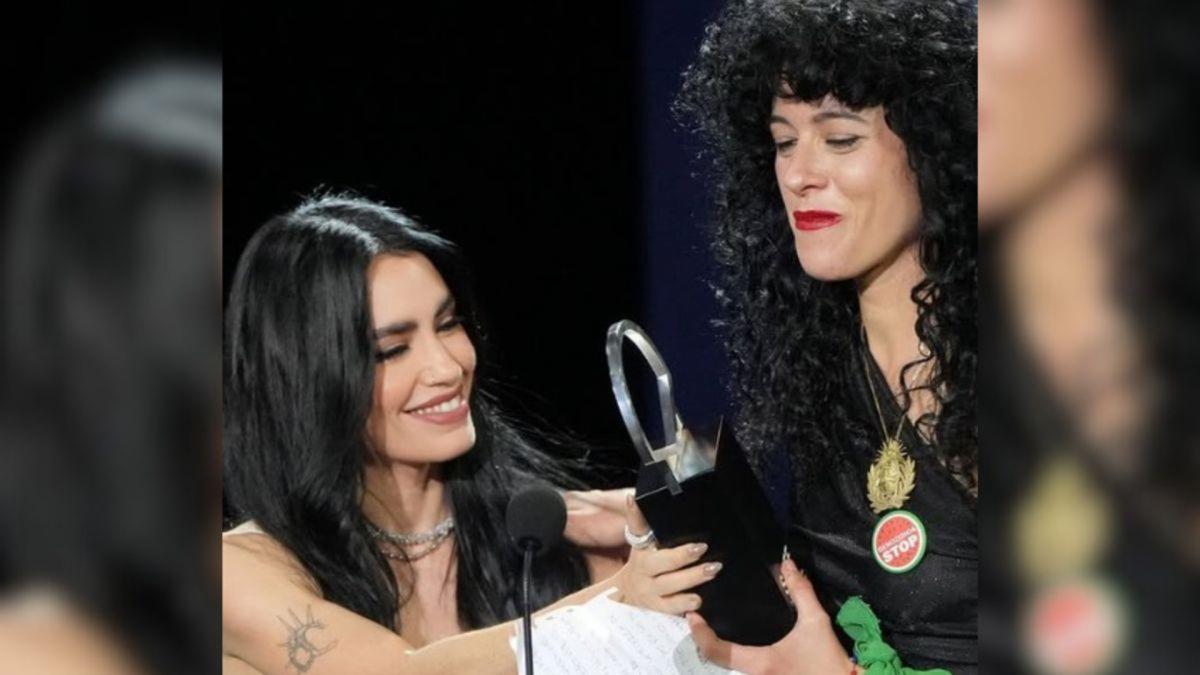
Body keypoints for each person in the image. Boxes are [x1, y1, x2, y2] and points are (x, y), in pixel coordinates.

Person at [221, 193, 719, 674]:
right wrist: (618, 599)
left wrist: (679, 535)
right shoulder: (237, 572)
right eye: (392, 350)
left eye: (447, 324)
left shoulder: (552, 541)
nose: (447, 367)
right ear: (307, 380)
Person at [673, 1, 978, 672]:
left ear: (936, 148)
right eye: (784, 142)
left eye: (840, 139)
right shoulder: (820, 373)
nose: (798, 174)